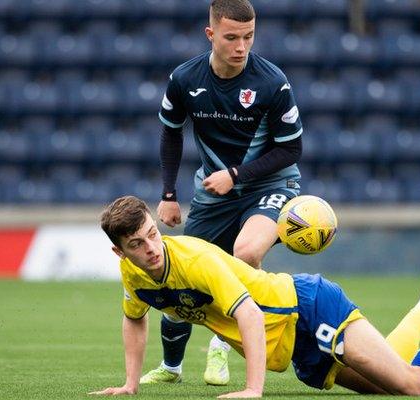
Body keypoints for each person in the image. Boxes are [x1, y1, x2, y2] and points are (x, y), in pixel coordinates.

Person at [91, 196, 420, 398]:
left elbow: (248, 315)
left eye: (153, 234)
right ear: (120, 250)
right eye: (137, 244)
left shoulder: (196, 258)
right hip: (294, 347)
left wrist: (253, 390)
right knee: (384, 385)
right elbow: (135, 318)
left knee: (410, 386)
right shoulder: (133, 276)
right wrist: (131, 383)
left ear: (157, 224)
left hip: (307, 308)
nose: (151, 248)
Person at [148, 0, 304, 386]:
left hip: (271, 184)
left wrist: (235, 174)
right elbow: (170, 131)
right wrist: (168, 194)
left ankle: (220, 345)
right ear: (211, 34)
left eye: (249, 37)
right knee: (181, 280)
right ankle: (171, 369)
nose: (241, 46)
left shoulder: (271, 82)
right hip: (216, 191)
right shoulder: (185, 78)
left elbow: (290, 149)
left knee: (246, 253)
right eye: (232, 37)